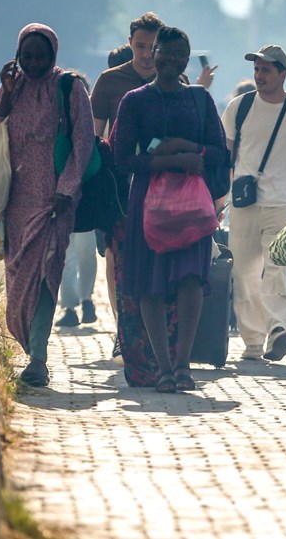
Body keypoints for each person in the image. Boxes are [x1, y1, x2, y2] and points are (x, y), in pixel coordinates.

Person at [111, 26, 229, 393]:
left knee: (190, 279)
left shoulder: (199, 99)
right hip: (148, 203)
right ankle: (162, 369)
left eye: (180, 54)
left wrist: (186, 149)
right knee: (152, 285)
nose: (172, 59)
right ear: (154, 53)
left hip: (192, 204)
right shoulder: (134, 100)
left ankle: (182, 366)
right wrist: (169, 160)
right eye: (166, 52)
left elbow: (220, 152)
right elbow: (121, 157)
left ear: (187, 59)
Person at [0, 23, 95, 387]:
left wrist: (67, 187)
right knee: (18, 275)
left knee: (45, 274)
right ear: (18, 56)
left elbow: (83, 142)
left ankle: (38, 358)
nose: (34, 63)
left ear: (53, 54)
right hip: (15, 200)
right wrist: (6, 95)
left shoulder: (70, 88)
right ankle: (28, 344)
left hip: (55, 200)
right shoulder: (13, 87)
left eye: (41, 56)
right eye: (27, 56)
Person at [221, 44, 286, 362]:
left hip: (282, 203)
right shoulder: (239, 107)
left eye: (266, 69)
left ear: (283, 73)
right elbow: (225, 155)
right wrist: (217, 196)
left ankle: (279, 329)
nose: (259, 75)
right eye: (256, 69)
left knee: (278, 268)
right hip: (243, 203)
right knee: (244, 273)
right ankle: (253, 340)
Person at [56, 231, 97, 326]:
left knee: (86, 252)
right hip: (64, 221)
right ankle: (69, 307)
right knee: (66, 258)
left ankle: (86, 300)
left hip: (85, 221)